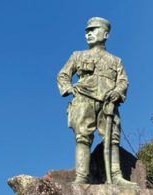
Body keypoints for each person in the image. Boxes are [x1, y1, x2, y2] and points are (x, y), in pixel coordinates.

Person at [57, 17, 137, 186]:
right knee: (83, 137)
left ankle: (116, 176)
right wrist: (68, 89)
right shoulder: (78, 55)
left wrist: (117, 92)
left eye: (93, 30)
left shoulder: (116, 60)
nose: (89, 34)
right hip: (84, 99)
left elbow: (123, 81)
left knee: (112, 139)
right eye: (87, 31)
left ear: (105, 34)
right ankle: (82, 177)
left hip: (108, 102)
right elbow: (63, 74)